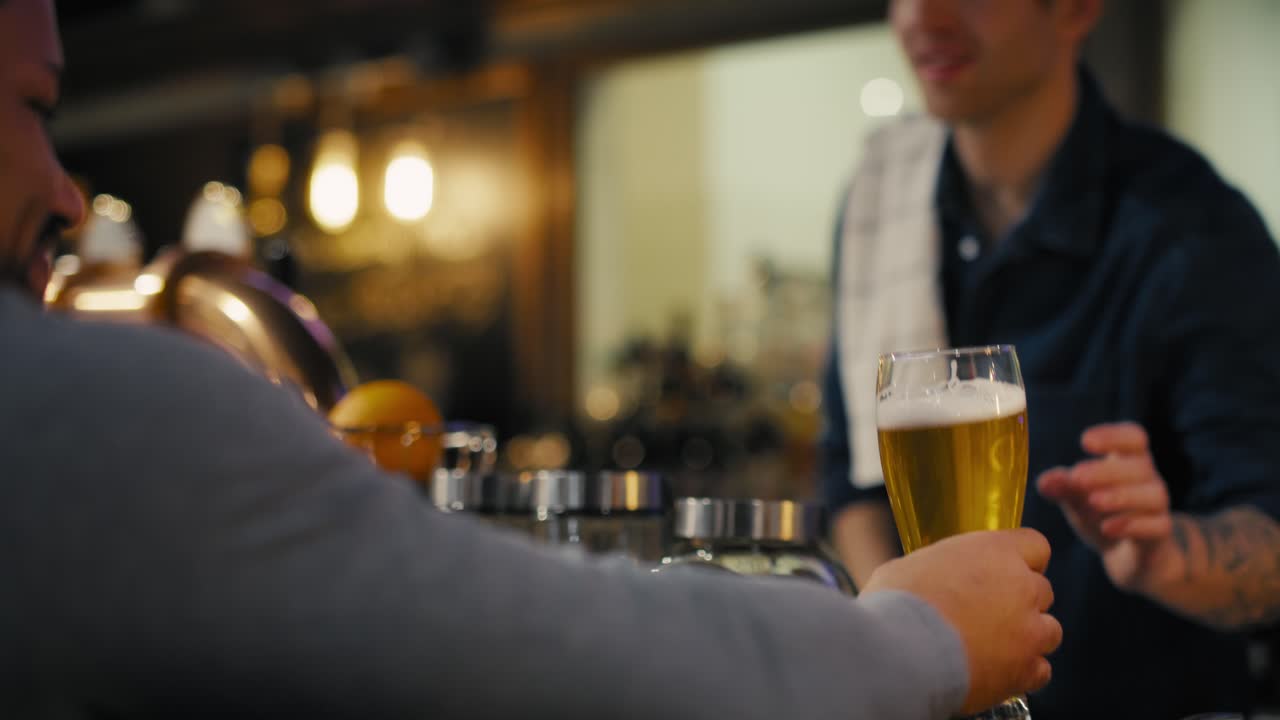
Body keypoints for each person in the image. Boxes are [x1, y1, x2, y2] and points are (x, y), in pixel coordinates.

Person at [0, 1, 1063, 717]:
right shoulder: (79, 418)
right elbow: (562, 652)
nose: (63, 190)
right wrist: (918, 637)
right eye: (38, 107)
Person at [821, 0, 1280, 718]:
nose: (921, 18)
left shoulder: (1192, 228)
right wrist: (913, 648)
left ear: (1074, 10)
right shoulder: (878, 208)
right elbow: (849, 486)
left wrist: (1165, 555)